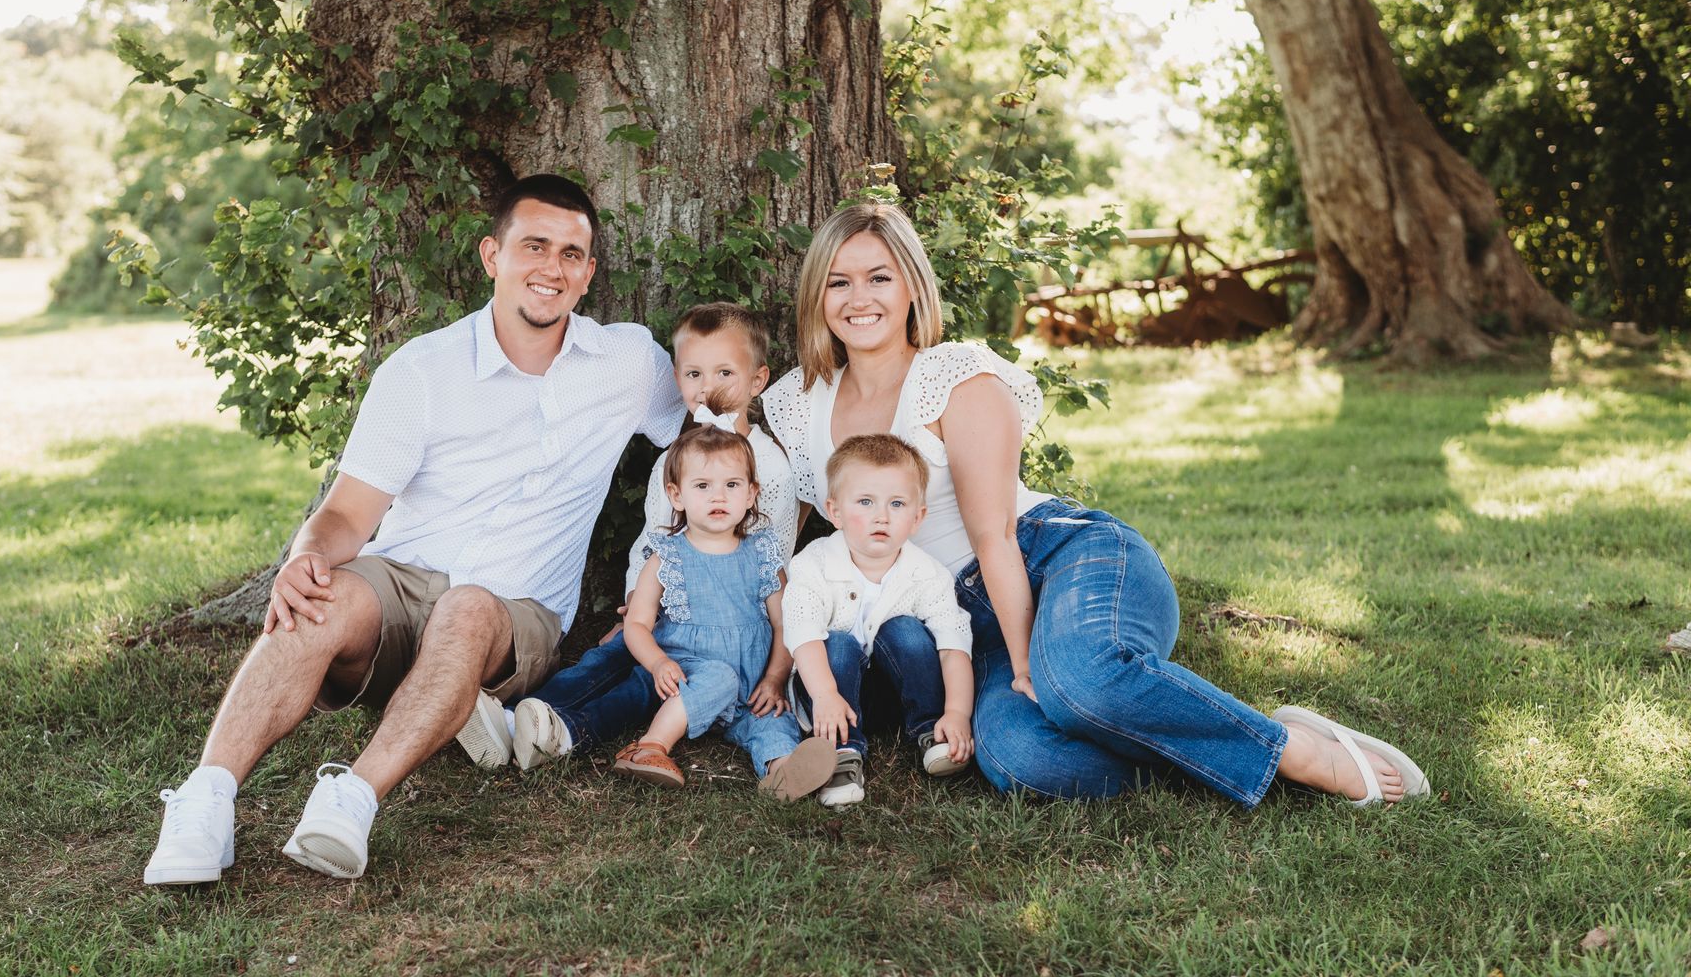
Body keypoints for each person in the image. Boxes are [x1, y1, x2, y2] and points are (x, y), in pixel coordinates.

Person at [763, 202, 1431, 807]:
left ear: (911, 284)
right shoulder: (799, 401)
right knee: (1024, 758)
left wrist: (1027, 666)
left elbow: (994, 533)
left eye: (879, 277)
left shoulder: (955, 377)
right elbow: (792, 546)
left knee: (1076, 683)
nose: (859, 298)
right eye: (838, 281)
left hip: (1055, 556)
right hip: (961, 624)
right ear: (817, 292)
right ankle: (1200, 736)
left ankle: (1295, 749)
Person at [141, 174, 688, 885]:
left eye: (570, 254)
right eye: (533, 246)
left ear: (587, 274)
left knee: (465, 610)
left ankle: (351, 799)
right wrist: (306, 558)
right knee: (321, 597)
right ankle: (204, 801)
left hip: (511, 614)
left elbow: (711, 429)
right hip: (401, 587)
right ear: (492, 256)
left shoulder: (629, 364)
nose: (550, 267)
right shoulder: (423, 371)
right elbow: (345, 514)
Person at [452, 301, 796, 770]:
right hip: (667, 614)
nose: (706, 387)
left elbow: (773, 555)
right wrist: (640, 598)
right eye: (692, 374)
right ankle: (518, 720)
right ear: (676, 378)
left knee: (636, 681)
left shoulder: (769, 465)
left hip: (737, 627)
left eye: (723, 373)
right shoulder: (673, 460)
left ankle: (566, 730)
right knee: (611, 654)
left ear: (757, 380)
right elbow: (654, 539)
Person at [580, 417, 836, 796]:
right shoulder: (666, 557)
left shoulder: (764, 554)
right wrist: (658, 663)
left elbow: (786, 625)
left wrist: (775, 679)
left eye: (732, 485)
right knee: (718, 677)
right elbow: (636, 624)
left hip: (752, 686)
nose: (718, 497)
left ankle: (782, 770)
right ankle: (650, 747)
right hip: (690, 674)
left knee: (773, 719)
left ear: (751, 495)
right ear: (676, 495)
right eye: (702, 486)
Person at [781, 433, 975, 807]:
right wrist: (824, 695)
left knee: (905, 630)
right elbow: (803, 634)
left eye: (897, 503)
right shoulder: (814, 563)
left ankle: (931, 729)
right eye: (865, 502)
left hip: (890, 698)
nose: (881, 516)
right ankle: (839, 750)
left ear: (918, 517)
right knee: (836, 641)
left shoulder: (928, 574)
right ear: (834, 511)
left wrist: (957, 712)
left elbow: (954, 646)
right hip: (826, 694)